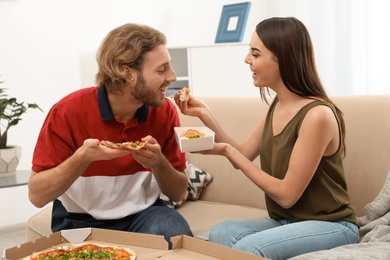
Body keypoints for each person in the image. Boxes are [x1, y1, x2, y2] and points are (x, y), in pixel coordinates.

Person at [174, 17, 359, 259]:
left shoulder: (318, 116)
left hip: (332, 225)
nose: (247, 60)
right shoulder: (277, 105)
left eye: (255, 53)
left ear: (283, 58)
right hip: (288, 221)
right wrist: (204, 114)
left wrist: (227, 152)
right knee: (221, 233)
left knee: (248, 250)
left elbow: (286, 195)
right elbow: (244, 151)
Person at [28, 23, 193, 247]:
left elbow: (179, 192)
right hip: (80, 221)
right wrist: (83, 158)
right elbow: (37, 196)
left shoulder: (164, 111)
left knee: (173, 231)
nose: (172, 77)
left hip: (145, 215)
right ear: (127, 72)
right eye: (161, 70)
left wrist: (159, 163)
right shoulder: (67, 112)